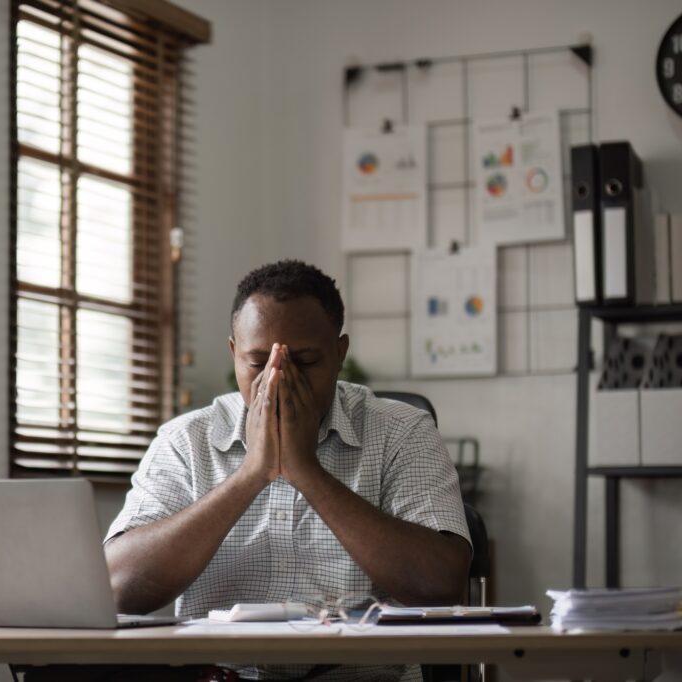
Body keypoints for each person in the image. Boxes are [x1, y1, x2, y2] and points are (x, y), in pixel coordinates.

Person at [103, 259, 472, 682]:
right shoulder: (185, 440)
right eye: (258, 362)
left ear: (339, 354)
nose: (278, 378)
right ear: (234, 354)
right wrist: (252, 473)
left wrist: (305, 470)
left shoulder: (402, 431)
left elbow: (439, 584)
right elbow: (118, 589)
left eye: (307, 361)